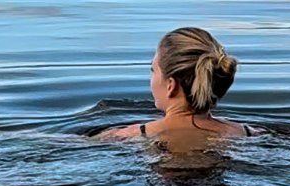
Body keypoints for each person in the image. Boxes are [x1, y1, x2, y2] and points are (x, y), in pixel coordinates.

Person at [97, 27, 257, 144]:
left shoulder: (129, 135)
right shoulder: (247, 133)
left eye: (153, 71)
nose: (151, 79)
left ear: (170, 85)